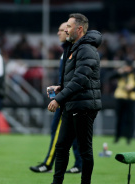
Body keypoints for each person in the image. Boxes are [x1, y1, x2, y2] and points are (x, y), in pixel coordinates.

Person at [47, 13, 102, 184]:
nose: (65, 29)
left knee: (85, 150)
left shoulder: (86, 49)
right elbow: (76, 79)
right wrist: (60, 88)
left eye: (69, 26)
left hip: (84, 106)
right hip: (73, 104)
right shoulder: (75, 47)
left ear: (79, 29)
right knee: (62, 146)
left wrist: (58, 99)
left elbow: (80, 80)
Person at [29, 22, 82, 174]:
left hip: (67, 100)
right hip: (67, 97)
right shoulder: (66, 51)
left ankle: (48, 163)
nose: (59, 33)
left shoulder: (72, 51)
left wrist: (61, 95)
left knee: (57, 131)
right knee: (73, 135)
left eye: (62, 30)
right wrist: (58, 87)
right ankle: (79, 164)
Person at [109, 58, 135, 145]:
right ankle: (117, 137)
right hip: (120, 98)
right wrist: (118, 72)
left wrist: (132, 88)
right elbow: (109, 77)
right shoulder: (121, 73)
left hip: (131, 98)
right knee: (119, 118)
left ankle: (129, 138)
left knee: (130, 119)